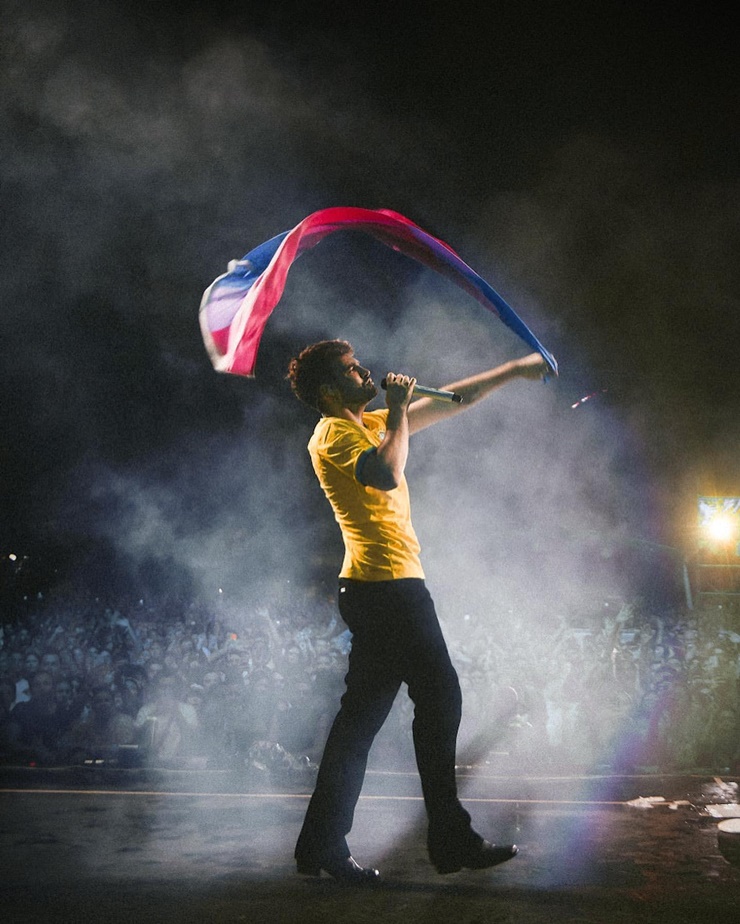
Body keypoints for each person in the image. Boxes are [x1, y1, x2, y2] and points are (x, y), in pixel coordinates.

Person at [286, 339, 553, 882]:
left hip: (380, 590)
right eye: (351, 370)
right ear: (328, 392)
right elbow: (386, 473)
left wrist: (514, 369)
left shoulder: (369, 423)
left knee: (360, 721)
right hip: (388, 590)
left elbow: (454, 399)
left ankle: (320, 845)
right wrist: (399, 411)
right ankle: (449, 838)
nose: (364, 371)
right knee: (440, 696)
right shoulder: (332, 434)